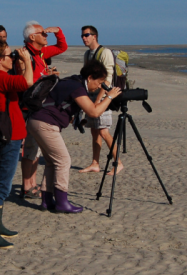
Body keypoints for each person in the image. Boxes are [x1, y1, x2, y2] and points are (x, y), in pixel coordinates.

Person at [26, 60, 121, 213]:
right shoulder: (77, 87)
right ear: (90, 77)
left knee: (52, 162)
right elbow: (94, 112)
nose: (99, 87)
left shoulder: (73, 81)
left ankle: (47, 200)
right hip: (45, 123)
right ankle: (62, 202)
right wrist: (109, 97)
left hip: (37, 121)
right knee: (64, 160)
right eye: (99, 82)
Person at [0, 40, 33, 249]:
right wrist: (28, 61)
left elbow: (20, 82)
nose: (12, 58)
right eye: (8, 55)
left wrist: (20, 64)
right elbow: (27, 83)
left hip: (9, 133)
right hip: (9, 136)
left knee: (3, 180)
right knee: (3, 184)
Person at [16, 21, 68, 199]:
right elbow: (26, 82)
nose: (45, 35)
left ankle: (32, 183)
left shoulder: (41, 52)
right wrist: (46, 77)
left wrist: (57, 31)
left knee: (36, 149)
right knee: (30, 148)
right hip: (28, 108)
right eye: (42, 33)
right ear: (32, 37)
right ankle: (26, 185)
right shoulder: (25, 56)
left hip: (40, 108)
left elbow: (62, 47)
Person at [79, 25, 124, 176]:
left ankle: (118, 162)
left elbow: (108, 79)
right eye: (82, 36)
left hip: (104, 96)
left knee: (104, 130)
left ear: (94, 36)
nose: (84, 38)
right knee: (94, 131)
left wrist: (99, 100)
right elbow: (86, 76)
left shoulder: (105, 53)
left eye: (86, 35)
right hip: (91, 95)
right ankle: (95, 163)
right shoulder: (87, 54)